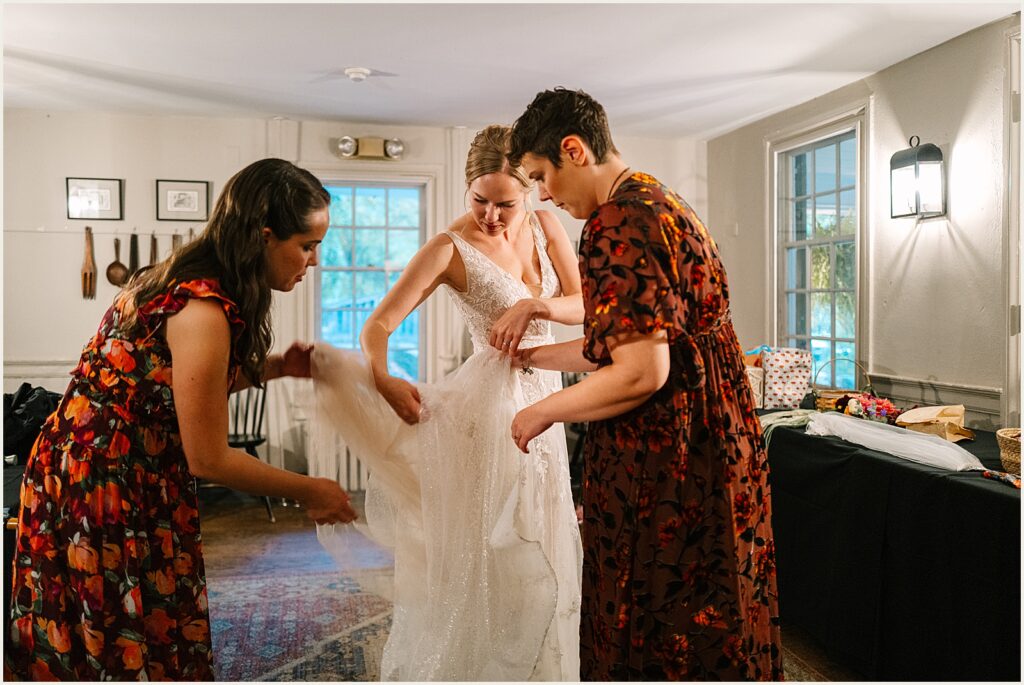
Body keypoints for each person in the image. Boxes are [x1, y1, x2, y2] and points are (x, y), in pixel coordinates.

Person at [6, 158, 358, 681]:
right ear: (264, 237)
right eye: (306, 245)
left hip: (104, 466)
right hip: (103, 482)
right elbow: (210, 457)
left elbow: (172, 386)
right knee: (117, 633)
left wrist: (280, 367)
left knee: (127, 627)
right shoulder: (201, 309)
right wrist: (310, 489)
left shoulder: (184, 280)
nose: (312, 261)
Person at [507, 88, 783, 681]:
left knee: (658, 620)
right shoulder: (659, 198)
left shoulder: (615, 220)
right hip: (719, 435)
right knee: (719, 606)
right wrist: (533, 356)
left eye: (542, 177)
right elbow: (629, 340)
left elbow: (639, 374)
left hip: (668, 460)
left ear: (574, 151)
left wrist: (543, 411)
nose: (546, 196)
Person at [309, 125, 583, 681]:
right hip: (490, 409)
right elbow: (378, 325)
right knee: (499, 551)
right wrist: (383, 378)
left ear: (528, 191)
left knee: (546, 539)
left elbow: (583, 306)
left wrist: (535, 307)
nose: (491, 216)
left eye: (505, 203)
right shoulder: (448, 248)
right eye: (479, 200)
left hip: (548, 401)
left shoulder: (548, 224)